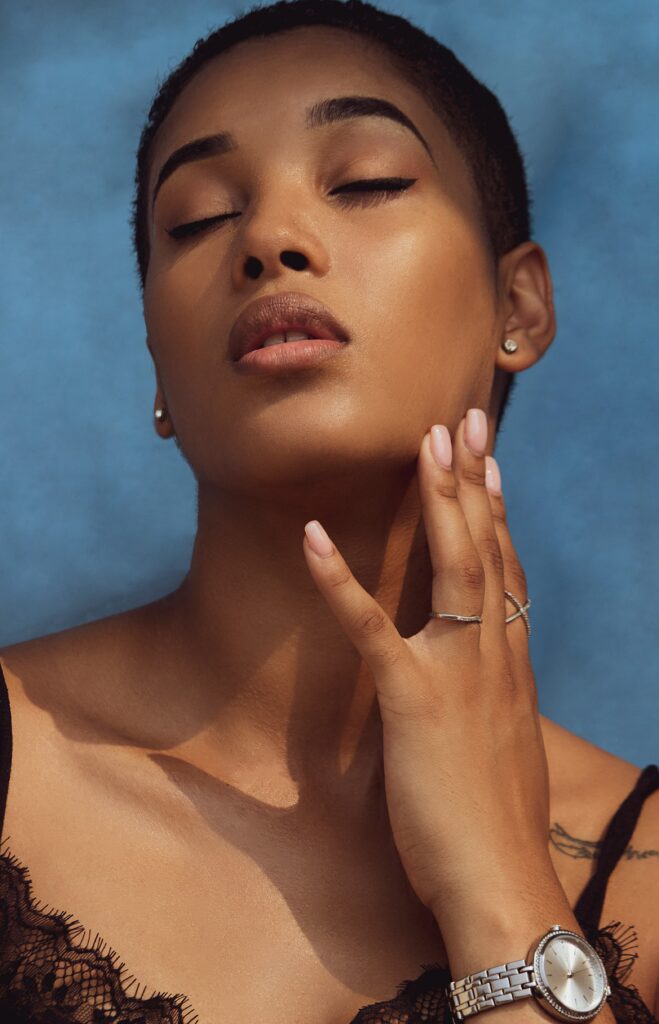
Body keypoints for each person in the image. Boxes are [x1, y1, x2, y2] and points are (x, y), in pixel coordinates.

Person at [0, 1, 656, 1021]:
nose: (266, 237)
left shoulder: (643, 871)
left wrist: (496, 878)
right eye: (200, 218)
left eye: (365, 182)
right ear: (156, 361)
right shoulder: (19, 772)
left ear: (517, 308)